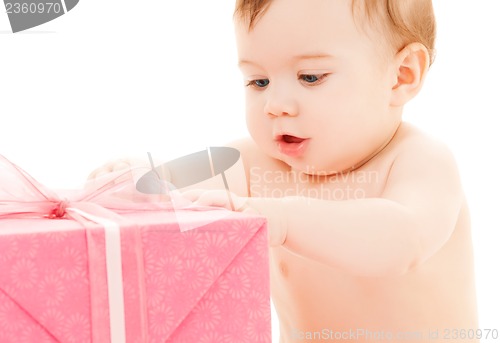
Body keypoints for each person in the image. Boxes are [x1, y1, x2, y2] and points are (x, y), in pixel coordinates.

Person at [90, 0, 478, 341]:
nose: (275, 105)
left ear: (402, 75)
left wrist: (283, 219)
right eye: (258, 81)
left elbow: (401, 241)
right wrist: (137, 179)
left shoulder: (419, 160)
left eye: (310, 77)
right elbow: (177, 187)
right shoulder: (257, 163)